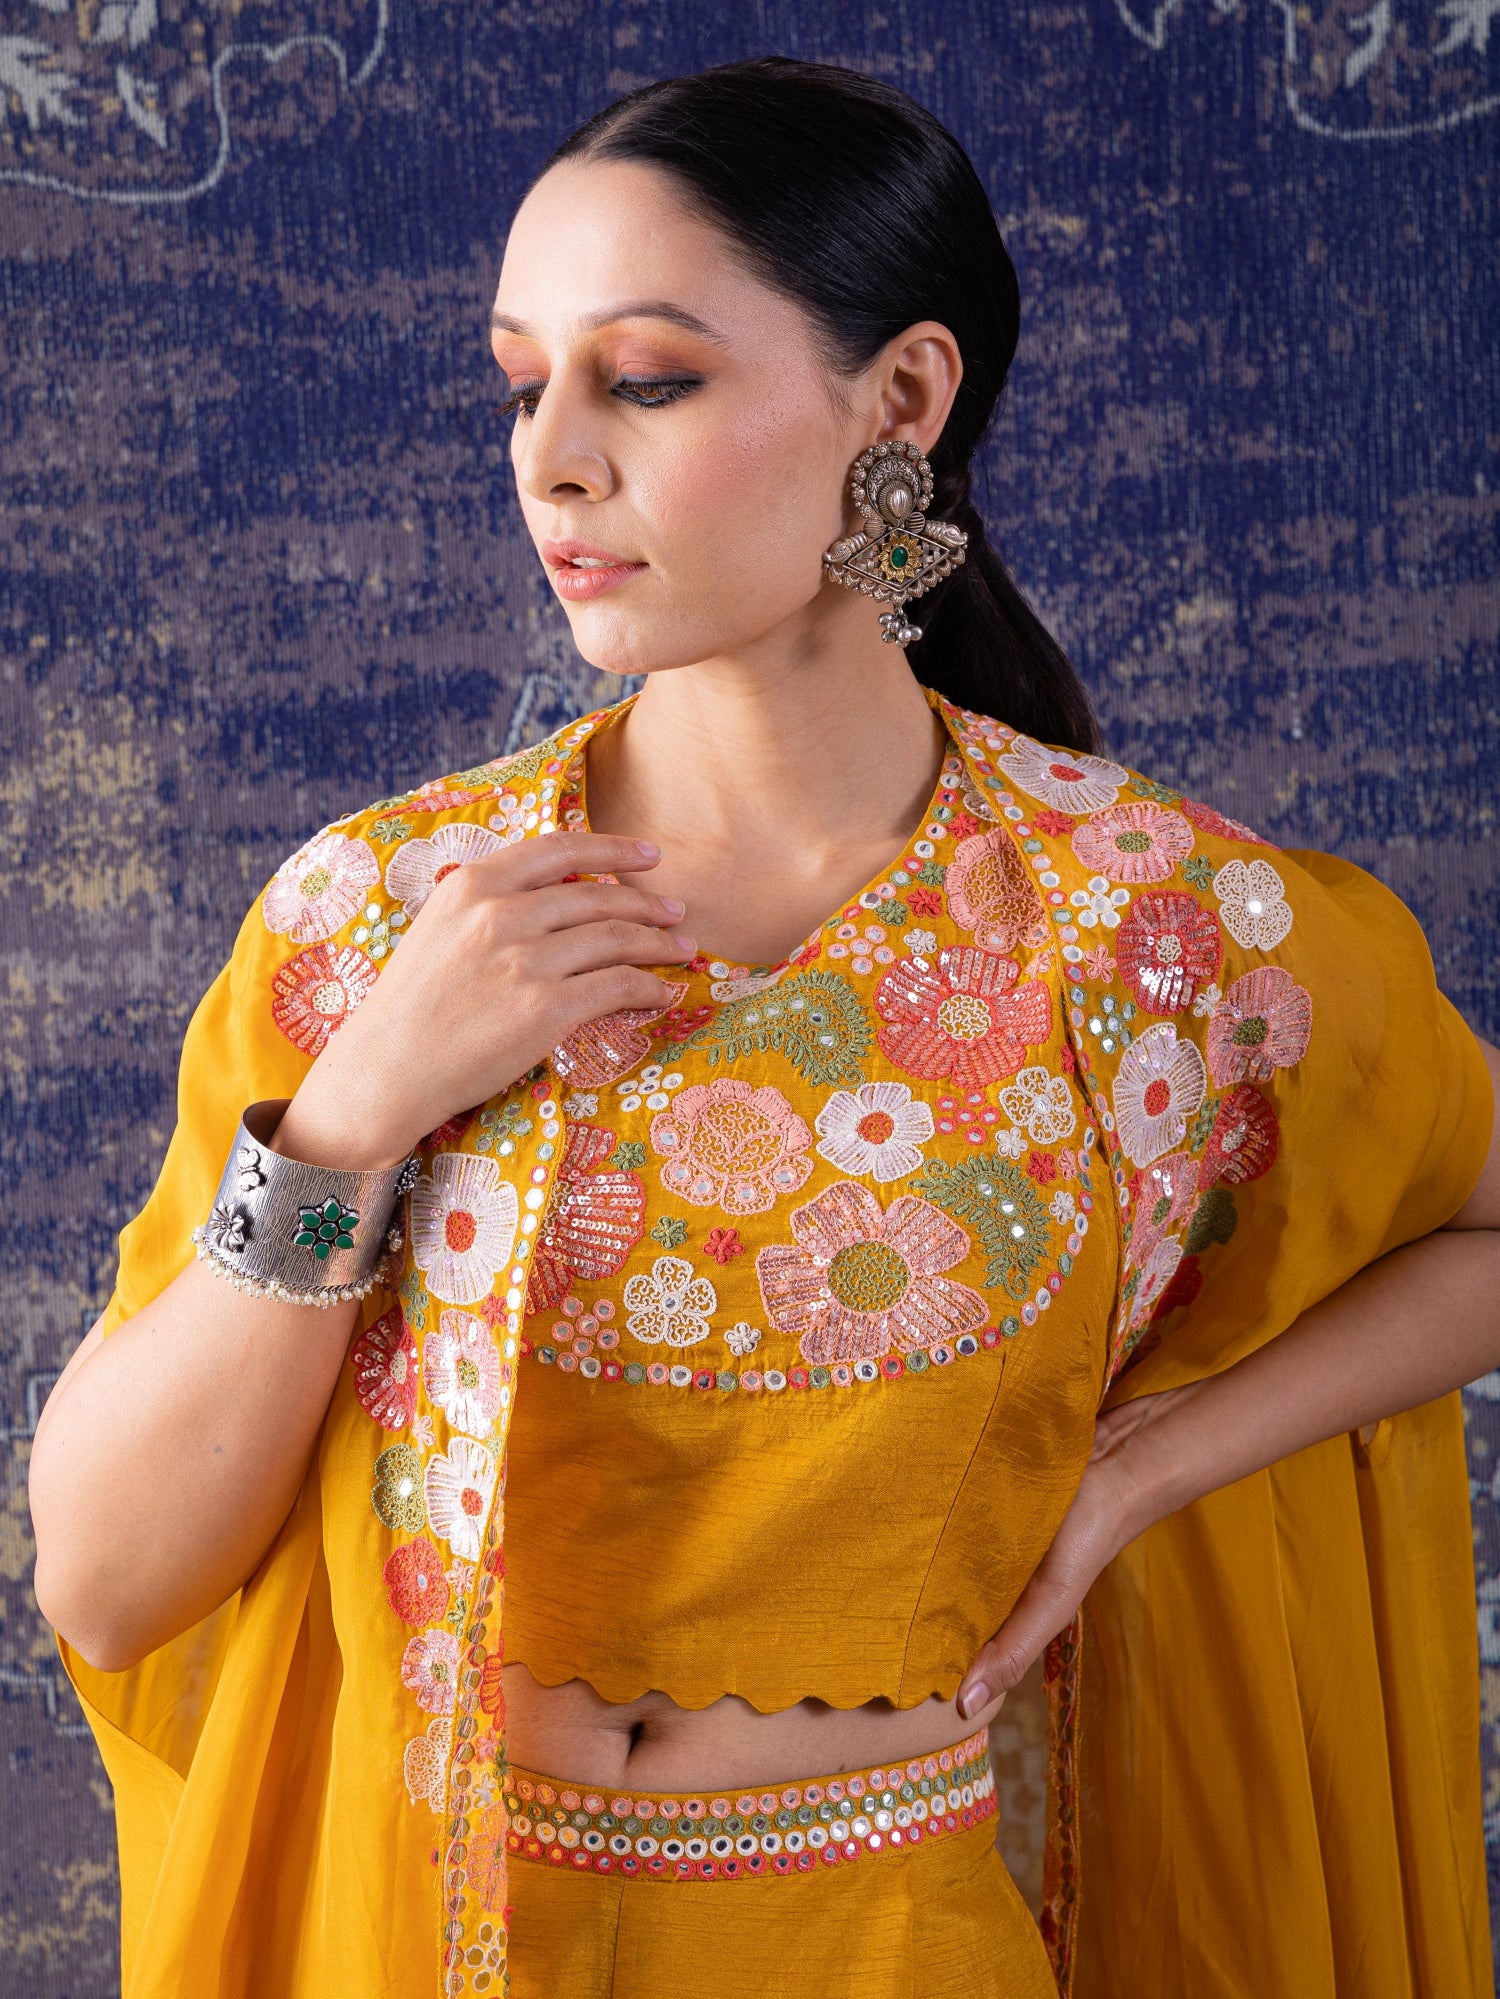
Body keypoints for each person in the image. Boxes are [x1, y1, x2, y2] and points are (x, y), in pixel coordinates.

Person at [28, 56, 1499, 1999]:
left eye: (644, 379)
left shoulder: (1138, 930)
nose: (553, 455)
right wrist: (363, 1103)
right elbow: (109, 1580)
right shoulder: (388, 915)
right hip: (453, 1940)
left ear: (899, 401)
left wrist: (1147, 1466)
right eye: (518, 381)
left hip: (893, 1939)